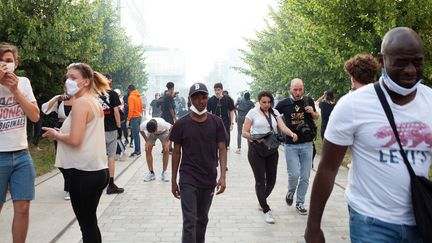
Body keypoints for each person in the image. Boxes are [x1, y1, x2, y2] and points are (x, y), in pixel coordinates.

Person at [305, 27, 430, 243]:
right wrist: (313, 226)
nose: (410, 70)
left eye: (417, 62)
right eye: (401, 62)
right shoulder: (353, 105)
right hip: (371, 223)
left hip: (422, 221)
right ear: (382, 60)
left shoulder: (430, 102)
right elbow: (328, 167)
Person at [42, 63, 109, 243]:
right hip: (97, 170)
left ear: (85, 82)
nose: (67, 81)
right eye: (67, 77)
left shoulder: (81, 103)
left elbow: (75, 140)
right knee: (90, 223)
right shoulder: (94, 101)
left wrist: (56, 135)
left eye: (73, 78)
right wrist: (61, 133)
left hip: (82, 172)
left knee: (87, 226)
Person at [170, 82, 227, 243]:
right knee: (189, 221)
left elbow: (222, 149)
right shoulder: (181, 124)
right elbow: (176, 152)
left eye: (204, 97)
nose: (201, 101)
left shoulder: (216, 122)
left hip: (209, 177)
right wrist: (174, 181)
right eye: (196, 98)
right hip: (188, 178)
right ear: (190, 99)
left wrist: (223, 176)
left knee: (202, 220)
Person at [0, 43, 40, 243]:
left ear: (16, 63)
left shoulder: (23, 83)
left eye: (9, 61)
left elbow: (34, 116)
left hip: (22, 155)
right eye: (1, 61)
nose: (5, 65)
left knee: (23, 208)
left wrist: (15, 91)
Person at [242, 91, 298, 224]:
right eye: (264, 102)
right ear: (258, 101)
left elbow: (282, 126)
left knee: (272, 181)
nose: (267, 105)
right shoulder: (252, 113)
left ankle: (262, 200)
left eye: (269, 102)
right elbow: (244, 132)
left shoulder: (275, 112)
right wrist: (255, 138)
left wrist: (291, 133)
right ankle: (266, 210)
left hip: (272, 149)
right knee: (260, 180)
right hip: (256, 149)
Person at [275, 78, 319, 215]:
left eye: (300, 89)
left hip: (307, 144)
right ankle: (291, 191)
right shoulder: (283, 104)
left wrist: (312, 112)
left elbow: (316, 117)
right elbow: (273, 116)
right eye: (295, 90)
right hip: (290, 145)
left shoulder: (308, 100)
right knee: (294, 174)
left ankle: (300, 202)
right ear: (290, 89)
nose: (298, 92)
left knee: (305, 176)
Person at [42, 78, 75, 200]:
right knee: (61, 161)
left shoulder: (80, 99)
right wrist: (57, 98)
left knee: (72, 159)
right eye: (66, 86)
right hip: (60, 129)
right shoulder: (59, 99)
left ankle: (69, 188)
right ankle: (70, 184)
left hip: (75, 129)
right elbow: (45, 109)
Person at [99, 73, 124, 194]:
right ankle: (111, 184)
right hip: (111, 129)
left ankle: (99, 183)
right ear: (108, 81)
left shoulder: (94, 94)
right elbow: (116, 112)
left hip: (97, 129)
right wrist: (119, 127)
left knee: (99, 156)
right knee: (111, 156)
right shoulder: (113, 94)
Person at [207, 83, 235, 149]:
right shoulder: (211, 100)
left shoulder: (228, 99)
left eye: (218, 90)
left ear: (222, 90)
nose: (217, 92)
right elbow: (208, 112)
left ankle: (225, 149)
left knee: (225, 142)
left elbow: (231, 111)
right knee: (215, 142)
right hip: (215, 123)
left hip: (225, 122)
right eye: (215, 90)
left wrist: (232, 123)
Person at [127, 84, 143, 158]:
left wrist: (128, 119)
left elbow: (131, 109)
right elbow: (141, 107)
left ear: (130, 89)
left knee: (135, 134)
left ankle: (137, 151)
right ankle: (138, 150)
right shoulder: (139, 96)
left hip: (134, 117)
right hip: (139, 116)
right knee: (137, 134)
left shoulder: (131, 97)